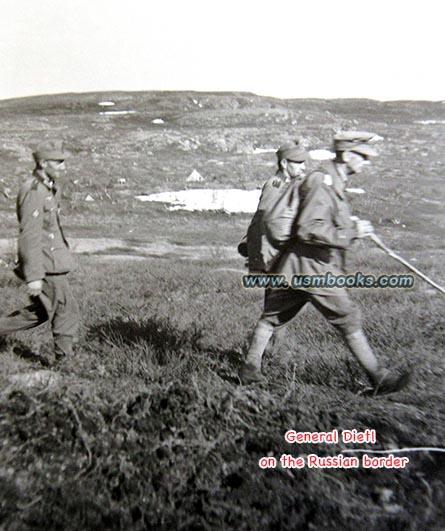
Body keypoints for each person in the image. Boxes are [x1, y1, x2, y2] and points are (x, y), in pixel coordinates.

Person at [239, 131, 411, 395]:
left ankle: (249, 369)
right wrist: (352, 233)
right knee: (348, 317)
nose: (365, 163)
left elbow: (321, 220)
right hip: (314, 269)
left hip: (294, 268)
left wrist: (352, 225)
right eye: (362, 157)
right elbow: (309, 228)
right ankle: (379, 379)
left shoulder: (331, 180)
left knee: (271, 317)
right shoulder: (323, 181)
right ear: (348, 155)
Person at [0, 140, 79, 364]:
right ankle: (66, 364)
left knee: (42, 312)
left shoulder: (46, 187)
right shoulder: (33, 190)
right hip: (45, 265)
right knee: (66, 310)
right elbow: (29, 235)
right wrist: (34, 276)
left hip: (51, 261)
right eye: (59, 162)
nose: (63, 166)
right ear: (44, 163)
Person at [239, 140, 308, 273]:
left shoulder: (290, 184)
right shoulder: (275, 186)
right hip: (271, 258)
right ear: (284, 163)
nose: (303, 167)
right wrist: (257, 260)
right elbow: (260, 221)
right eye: (298, 163)